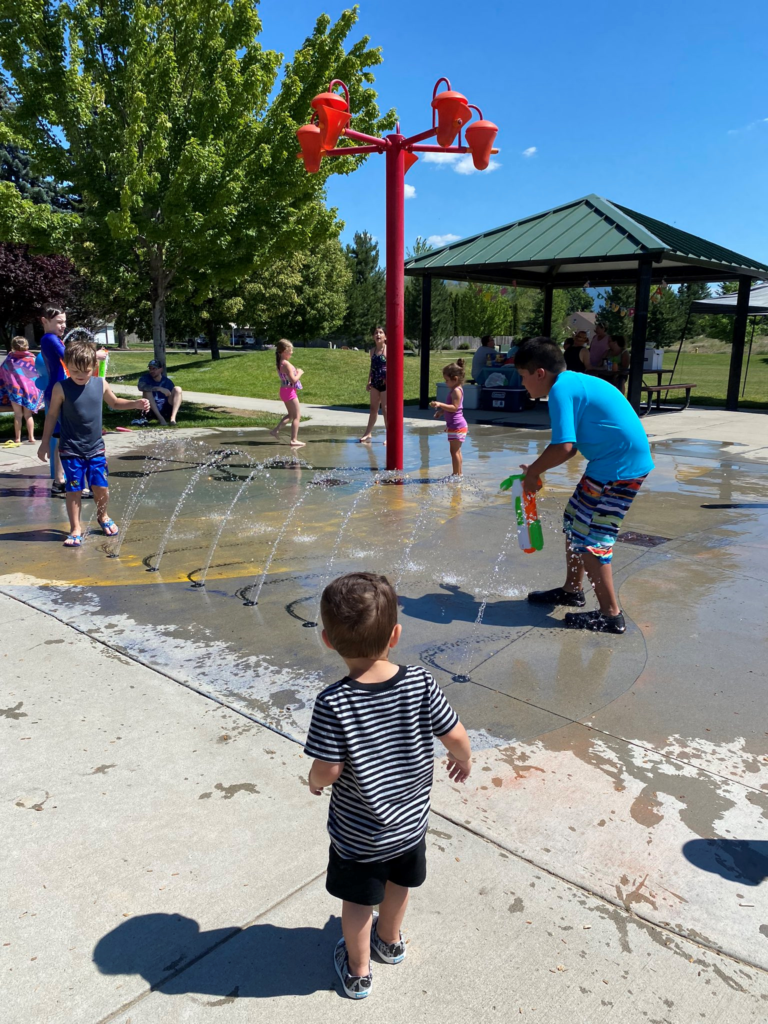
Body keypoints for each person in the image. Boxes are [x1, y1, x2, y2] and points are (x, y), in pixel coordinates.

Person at [304, 572, 472, 1000]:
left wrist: (314, 782)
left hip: (359, 835)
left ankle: (359, 971)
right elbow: (455, 736)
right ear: (395, 634)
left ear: (327, 640)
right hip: (409, 826)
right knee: (399, 886)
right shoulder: (420, 684)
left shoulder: (334, 702)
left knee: (358, 902)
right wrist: (462, 759)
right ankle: (390, 941)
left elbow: (329, 768)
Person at [514, 337, 654, 635]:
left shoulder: (560, 390)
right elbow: (572, 447)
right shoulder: (572, 383)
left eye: (523, 377)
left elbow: (564, 447)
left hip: (619, 468)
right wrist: (537, 470)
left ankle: (611, 615)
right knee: (573, 520)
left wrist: (533, 474)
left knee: (592, 535)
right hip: (613, 462)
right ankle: (572, 590)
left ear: (539, 373)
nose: (523, 385)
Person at [37, 339, 149, 547]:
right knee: (74, 489)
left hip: (95, 448)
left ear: (94, 367)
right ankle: (75, 528)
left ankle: (103, 516)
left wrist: (135, 403)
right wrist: (45, 443)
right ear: (66, 366)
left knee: (101, 487)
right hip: (71, 448)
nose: (79, 375)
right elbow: (51, 416)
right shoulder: (61, 388)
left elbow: (114, 403)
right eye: (74, 370)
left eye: (85, 371)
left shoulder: (100, 384)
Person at [39, 306, 68, 495]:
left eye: (64, 322)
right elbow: (69, 357)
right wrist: (94, 355)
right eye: (59, 322)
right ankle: (74, 481)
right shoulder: (50, 339)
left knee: (60, 438)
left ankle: (59, 481)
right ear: (45, 321)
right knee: (70, 437)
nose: (63, 325)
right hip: (58, 393)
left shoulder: (52, 339)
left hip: (56, 391)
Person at [430, 358, 468, 476]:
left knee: (454, 451)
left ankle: (456, 474)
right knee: (456, 451)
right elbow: (451, 407)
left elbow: (455, 407)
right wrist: (441, 412)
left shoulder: (456, 391)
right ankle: (458, 473)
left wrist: (440, 404)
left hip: (457, 425)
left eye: (447, 380)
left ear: (455, 379)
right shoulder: (455, 389)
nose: (446, 383)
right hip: (455, 425)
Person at [0, 337, 42, 443]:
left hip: (15, 391)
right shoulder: (32, 358)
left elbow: (3, 371)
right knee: (28, 415)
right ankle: (31, 437)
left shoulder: (10, 360)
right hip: (30, 392)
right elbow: (38, 373)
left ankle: (17, 438)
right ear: (27, 346)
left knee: (18, 415)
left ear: (13, 346)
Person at [270, 339, 305, 448]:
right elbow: (293, 380)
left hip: (285, 391)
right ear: (284, 351)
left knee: (290, 415)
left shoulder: (280, 362)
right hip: (289, 392)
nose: (292, 353)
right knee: (297, 416)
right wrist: (300, 372)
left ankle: (275, 430)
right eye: (290, 351)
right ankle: (293, 440)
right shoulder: (286, 364)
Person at [359, 326, 387, 443]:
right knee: (373, 409)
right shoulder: (372, 351)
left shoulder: (388, 350)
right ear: (373, 337)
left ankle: (389, 435)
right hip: (375, 382)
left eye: (381, 332)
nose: (378, 335)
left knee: (385, 409)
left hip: (386, 382)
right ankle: (368, 433)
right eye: (376, 333)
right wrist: (369, 381)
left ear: (385, 337)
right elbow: (372, 367)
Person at [137, 360, 183, 425]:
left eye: (154, 369)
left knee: (178, 389)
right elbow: (141, 387)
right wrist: (159, 388)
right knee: (147, 391)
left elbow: (171, 395)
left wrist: (169, 394)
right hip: (151, 409)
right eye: (150, 369)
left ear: (161, 369)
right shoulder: (145, 378)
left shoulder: (167, 381)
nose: (151, 371)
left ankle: (173, 419)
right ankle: (161, 419)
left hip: (165, 407)